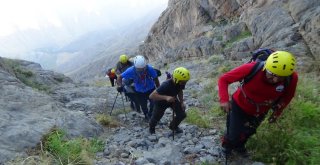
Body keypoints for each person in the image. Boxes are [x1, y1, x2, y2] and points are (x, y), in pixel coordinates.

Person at [217, 51, 298, 156]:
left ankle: (239, 146)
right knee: (233, 133)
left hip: (261, 111)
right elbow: (224, 79)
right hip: (239, 105)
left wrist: (277, 113)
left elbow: (288, 96)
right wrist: (224, 100)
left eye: (281, 77)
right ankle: (227, 147)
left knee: (249, 131)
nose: (275, 80)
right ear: (266, 68)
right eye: (272, 74)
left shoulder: (291, 78)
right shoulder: (252, 68)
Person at [117, 55, 160, 120]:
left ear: (145, 65)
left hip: (151, 89)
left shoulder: (149, 68)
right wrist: (120, 85)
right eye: (139, 69)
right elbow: (120, 77)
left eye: (143, 68)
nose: (141, 70)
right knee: (143, 105)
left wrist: (159, 89)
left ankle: (151, 114)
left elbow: (155, 78)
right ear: (135, 66)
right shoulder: (131, 70)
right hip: (140, 91)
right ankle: (146, 115)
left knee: (153, 104)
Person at [149, 67, 190, 134]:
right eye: (183, 82)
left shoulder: (181, 82)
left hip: (172, 100)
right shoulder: (166, 85)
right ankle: (151, 128)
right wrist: (166, 97)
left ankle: (173, 126)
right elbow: (151, 96)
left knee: (182, 114)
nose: (184, 83)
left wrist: (182, 102)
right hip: (160, 102)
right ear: (176, 79)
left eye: (185, 81)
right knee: (156, 117)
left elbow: (180, 91)